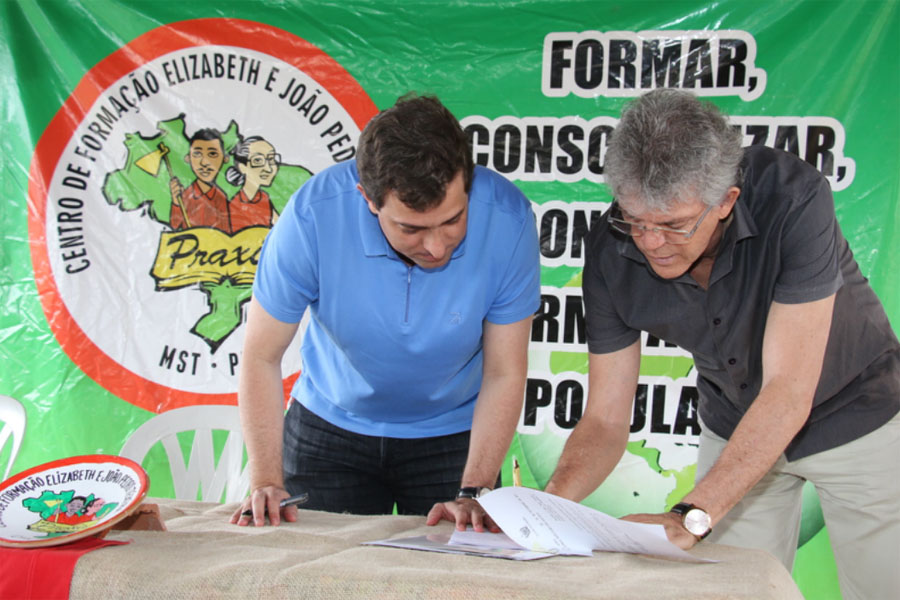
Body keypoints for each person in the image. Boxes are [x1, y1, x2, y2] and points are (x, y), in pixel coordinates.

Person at [543, 89, 899, 600]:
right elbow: (604, 418)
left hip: (858, 413)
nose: (651, 242)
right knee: (730, 591)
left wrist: (692, 514)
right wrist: (549, 506)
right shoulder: (609, 249)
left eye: (673, 225)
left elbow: (788, 390)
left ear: (726, 201)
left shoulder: (793, 198)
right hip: (735, 423)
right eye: (636, 220)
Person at [231, 94, 540, 532]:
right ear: (368, 199)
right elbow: (261, 355)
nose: (437, 247)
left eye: (453, 220)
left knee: (457, 566)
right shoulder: (312, 216)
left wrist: (475, 489)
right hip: (329, 427)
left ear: (468, 184)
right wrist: (265, 480)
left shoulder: (509, 219)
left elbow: (504, 372)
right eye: (411, 228)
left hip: (455, 435)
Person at [169, 128, 230, 231]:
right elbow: (174, 227)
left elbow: (227, 232)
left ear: (225, 158)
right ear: (188, 158)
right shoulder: (185, 196)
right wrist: (176, 203)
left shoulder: (221, 197)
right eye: (197, 154)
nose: (204, 162)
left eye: (212, 154)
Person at [226, 135, 280, 232]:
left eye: (271, 159)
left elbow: (282, 227)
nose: (268, 169)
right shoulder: (236, 204)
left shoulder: (264, 198)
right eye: (258, 160)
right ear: (242, 167)